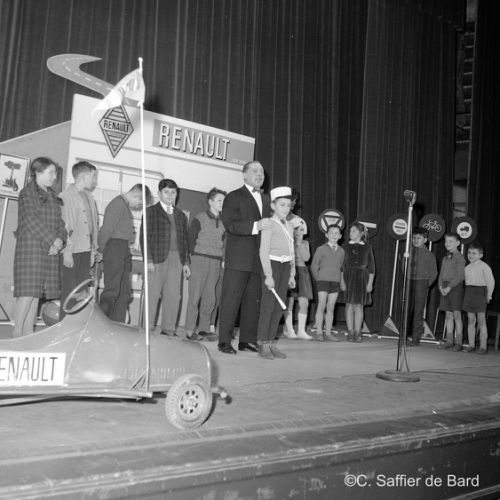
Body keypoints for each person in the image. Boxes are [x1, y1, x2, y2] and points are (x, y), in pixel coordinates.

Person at [217, 160, 272, 354]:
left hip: (258, 260)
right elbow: (230, 224)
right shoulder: (233, 196)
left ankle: (247, 340)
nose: (259, 174)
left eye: (262, 172)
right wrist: (256, 225)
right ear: (244, 175)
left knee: (253, 302)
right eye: (255, 170)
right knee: (230, 301)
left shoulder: (267, 200)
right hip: (238, 259)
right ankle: (224, 341)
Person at [13, 157, 67, 337]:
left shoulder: (52, 195)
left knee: (36, 293)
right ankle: (16, 335)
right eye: (51, 172)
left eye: (55, 173)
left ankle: (28, 334)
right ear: (38, 172)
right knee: (27, 293)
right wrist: (53, 240)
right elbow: (30, 219)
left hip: (49, 249)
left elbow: (60, 224)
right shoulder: (27, 193)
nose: (55, 176)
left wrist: (59, 241)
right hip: (31, 249)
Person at [140, 178, 190, 336]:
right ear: (159, 193)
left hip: (176, 260)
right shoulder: (150, 212)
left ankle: (168, 330)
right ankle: (146, 329)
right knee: (152, 294)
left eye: (173, 192)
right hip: (156, 259)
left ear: (177, 194)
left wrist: (186, 262)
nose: (170, 195)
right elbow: (144, 238)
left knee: (174, 295)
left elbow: (185, 240)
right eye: (166, 192)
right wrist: (148, 260)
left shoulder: (181, 215)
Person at [99, 184, 151, 322]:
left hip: (122, 248)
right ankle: (101, 323)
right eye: (140, 203)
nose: (138, 206)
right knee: (112, 290)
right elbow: (106, 230)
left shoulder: (124, 206)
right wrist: (100, 250)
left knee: (124, 292)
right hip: (114, 248)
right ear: (137, 196)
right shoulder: (117, 204)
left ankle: (117, 324)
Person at [256, 186, 295, 359]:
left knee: (279, 307)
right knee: (268, 305)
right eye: (282, 205)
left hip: (285, 267)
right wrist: (268, 275)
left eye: (288, 205)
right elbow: (263, 251)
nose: (286, 208)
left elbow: (292, 252)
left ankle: (271, 342)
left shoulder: (290, 225)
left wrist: (292, 274)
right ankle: (262, 343)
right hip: (272, 266)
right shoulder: (268, 223)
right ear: (273, 205)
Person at [59, 161, 100, 319]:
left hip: (85, 250)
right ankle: (63, 327)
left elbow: (94, 225)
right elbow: (65, 226)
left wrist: (93, 250)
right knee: (69, 292)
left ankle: (77, 327)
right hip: (72, 251)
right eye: (93, 176)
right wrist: (67, 251)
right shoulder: (65, 196)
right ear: (83, 176)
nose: (95, 180)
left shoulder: (89, 197)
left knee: (81, 293)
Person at [184, 188, 226, 341]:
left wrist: (223, 259)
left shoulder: (224, 222)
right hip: (199, 259)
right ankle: (189, 330)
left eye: (224, 201)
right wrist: (187, 261)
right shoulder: (199, 218)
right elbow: (190, 240)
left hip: (215, 261)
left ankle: (204, 328)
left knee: (210, 297)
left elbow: (224, 243)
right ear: (210, 202)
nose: (222, 203)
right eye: (220, 200)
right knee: (195, 296)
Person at [340, 221, 375, 343]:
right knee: (349, 304)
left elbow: (372, 266)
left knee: (359, 305)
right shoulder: (345, 246)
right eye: (350, 231)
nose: (351, 233)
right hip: (348, 277)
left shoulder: (367, 247)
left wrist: (370, 283)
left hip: (362, 278)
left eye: (354, 231)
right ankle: (350, 332)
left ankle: (358, 332)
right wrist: (342, 281)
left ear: (361, 233)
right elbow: (342, 266)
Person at [311, 224, 345, 341]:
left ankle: (328, 332)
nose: (333, 235)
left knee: (331, 307)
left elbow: (341, 268)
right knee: (321, 305)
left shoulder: (342, 251)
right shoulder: (321, 249)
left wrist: (341, 281)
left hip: (335, 282)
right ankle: (319, 332)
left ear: (340, 236)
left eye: (336, 233)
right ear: (326, 235)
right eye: (331, 233)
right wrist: (319, 278)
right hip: (323, 281)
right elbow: (314, 266)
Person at [406, 227, 438, 346]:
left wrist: (425, 285)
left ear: (425, 240)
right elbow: (404, 267)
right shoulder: (409, 252)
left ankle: (415, 338)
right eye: (414, 238)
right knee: (406, 310)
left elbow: (434, 273)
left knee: (418, 312)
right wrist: (407, 277)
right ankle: (404, 336)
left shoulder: (429, 255)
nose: (415, 240)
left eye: (418, 238)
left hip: (422, 283)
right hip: (410, 281)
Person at [283, 216, 314, 340]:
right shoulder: (286, 241)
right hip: (290, 272)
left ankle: (301, 330)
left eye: (301, 229)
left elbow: (306, 258)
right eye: (295, 229)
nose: (298, 232)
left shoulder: (305, 243)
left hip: (302, 273)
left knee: (304, 302)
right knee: (289, 302)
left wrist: (299, 244)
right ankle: (289, 330)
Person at [463, 242, 495, 354]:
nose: (471, 255)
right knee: (471, 320)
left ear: (481, 255)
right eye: (469, 253)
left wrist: (489, 295)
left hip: (480, 293)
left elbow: (490, 281)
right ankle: (471, 345)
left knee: (481, 320)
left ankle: (483, 346)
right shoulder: (466, 268)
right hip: (469, 293)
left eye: (474, 253)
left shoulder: (484, 267)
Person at [438, 232, 465, 350]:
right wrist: (440, 286)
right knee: (448, 315)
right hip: (444, 287)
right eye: (446, 241)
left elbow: (460, 275)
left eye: (450, 241)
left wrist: (449, 287)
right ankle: (449, 341)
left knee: (456, 315)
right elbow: (441, 274)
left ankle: (458, 342)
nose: (447, 243)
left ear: (457, 243)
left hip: (455, 287)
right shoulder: (445, 258)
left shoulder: (460, 257)